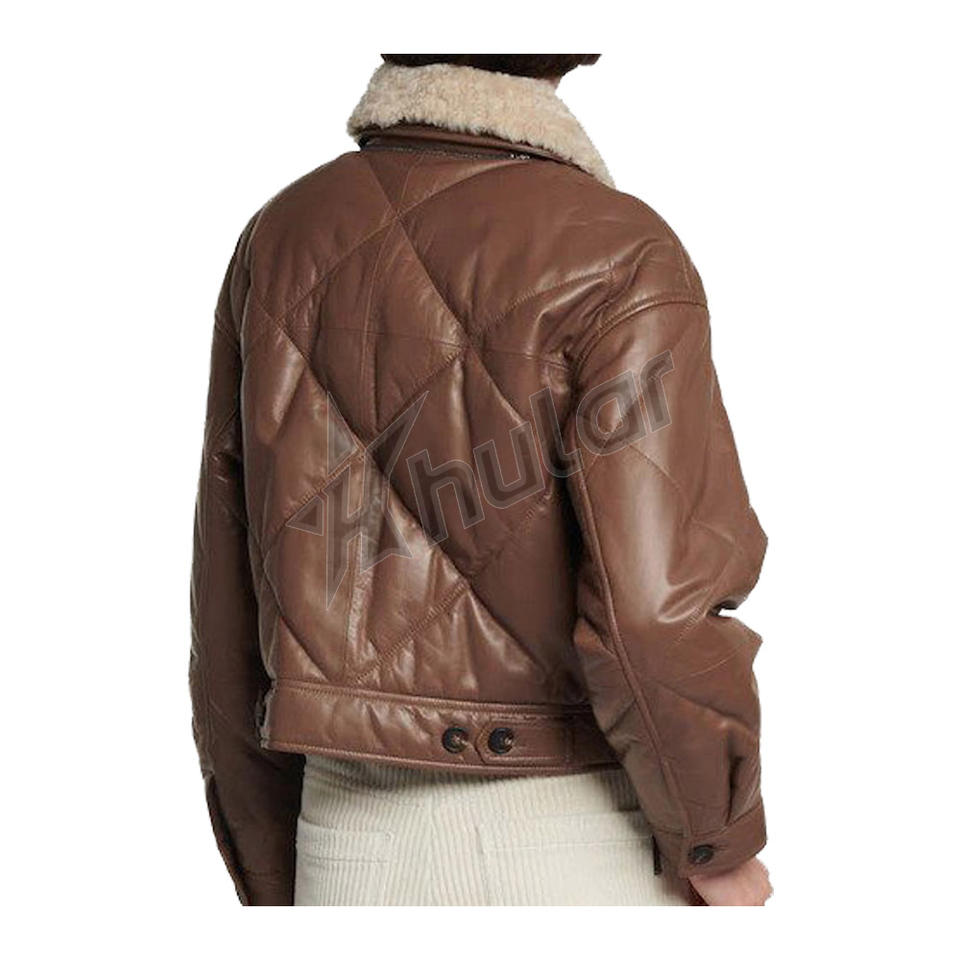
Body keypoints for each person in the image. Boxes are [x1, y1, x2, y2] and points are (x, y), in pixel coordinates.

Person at [190, 53, 773, 907]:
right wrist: (715, 837)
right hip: (566, 835)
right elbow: (652, 607)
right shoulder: (616, 249)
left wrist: (271, 861)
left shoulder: (281, 234)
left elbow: (228, 590)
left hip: (343, 832)